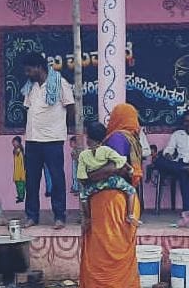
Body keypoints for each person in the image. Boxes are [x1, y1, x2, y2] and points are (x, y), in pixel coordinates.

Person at [78, 103, 146, 288]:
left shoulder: (117, 138)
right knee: (123, 255)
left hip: (110, 203)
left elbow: (115, 167)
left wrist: (90, 176)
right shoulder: (133, 140)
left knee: (104, 254)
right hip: (125, 200)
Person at [20, 52, 75, 229]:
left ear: (39, 68)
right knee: (31, 180)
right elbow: (27, 109)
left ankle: (59, 217)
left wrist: (62, 128)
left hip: (53, 140)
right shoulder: (30, 87)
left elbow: (71, 107)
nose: (27, 74)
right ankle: (31, 216)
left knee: (56, 179)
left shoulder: (60, 83)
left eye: (29, 70)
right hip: (32, 140)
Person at [77, 121, 138, 226]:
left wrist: (88, 183)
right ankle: (130, 215)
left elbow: (81, 176)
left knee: (83, 196)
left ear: (87, 139)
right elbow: (121, 161)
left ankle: (88, 218)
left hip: (94, 185)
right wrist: (130, 170)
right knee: (131, 191)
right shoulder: (107, 150)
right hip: (111, 181)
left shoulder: (83, 155)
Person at [12, 136, 26, 203]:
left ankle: (21, 197)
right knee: (18, 185)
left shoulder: (19, 152)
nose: (13, 143)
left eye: (15, 142)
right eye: (13, 142)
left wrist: (21, 174)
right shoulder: (16, 151)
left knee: (21, 186)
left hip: (20, 173)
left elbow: (22, 164)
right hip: (17, 172)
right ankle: (20, 196)